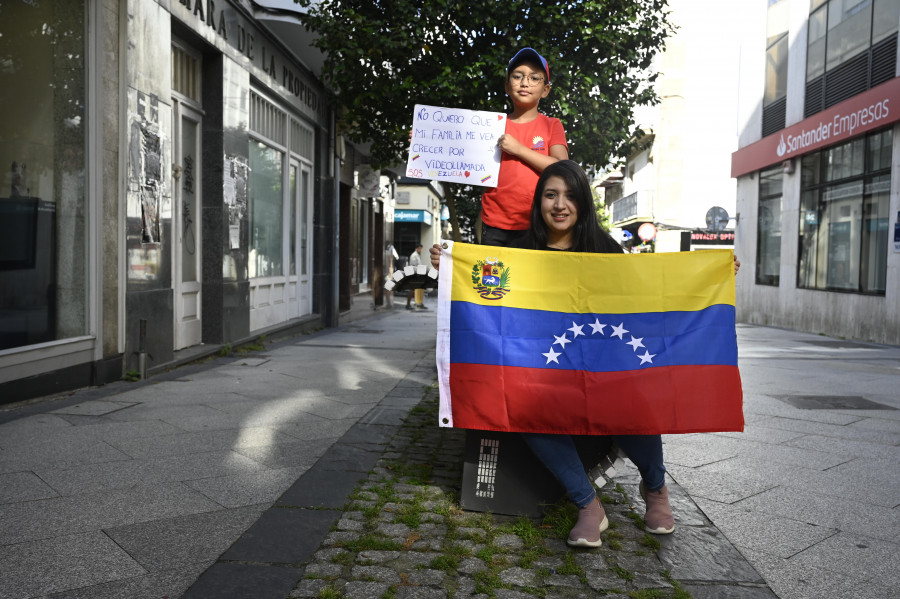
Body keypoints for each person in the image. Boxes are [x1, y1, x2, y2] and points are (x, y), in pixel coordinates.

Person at [431, 160, 741, 548]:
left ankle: (656, 488)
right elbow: (482, 289)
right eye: (550, 195)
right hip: (545, 368)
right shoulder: (517, 252)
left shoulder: (605, 249)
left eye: (570, 196)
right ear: (539, 201)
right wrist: (448, 269)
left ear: (583, 203)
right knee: (526, 409)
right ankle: (587, 503)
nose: (560, 205)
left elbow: (648, 293)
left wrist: (711, 272)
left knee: (635, 400)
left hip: (604, 359)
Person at [480, 48, 569, 248]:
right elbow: (464, 153)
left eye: (534, 78)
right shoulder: (491, 126)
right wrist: (427, 142)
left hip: (539, 222)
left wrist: (519, 149)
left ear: (546, 90)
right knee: (495, 280)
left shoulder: (552, 125)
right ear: (507, 86)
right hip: (494, 223)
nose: (525, 82)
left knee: (533, 279)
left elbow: (562, 168)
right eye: (517, 76)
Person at [406, 244, 427, 310]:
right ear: (416, 248)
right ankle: (408, 304)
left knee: (420, 289)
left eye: (421, 248)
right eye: (420, 248)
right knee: (412, 290)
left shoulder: (417, 255)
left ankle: (419, 303)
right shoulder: (414, 255)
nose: (421, 250)